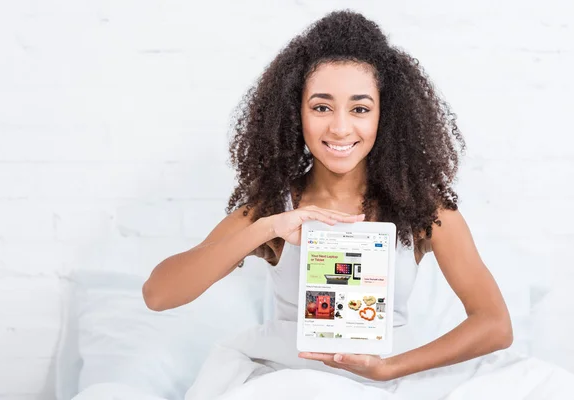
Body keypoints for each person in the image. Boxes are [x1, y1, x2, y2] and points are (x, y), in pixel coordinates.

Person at [142, 9, 513, 388]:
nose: (339, 127)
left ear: (386, 116)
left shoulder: (423, 211)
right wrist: (264, 229)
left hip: (389, 381)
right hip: (289, 381)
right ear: (295, 112)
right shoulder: (271, 209)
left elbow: (495, 324)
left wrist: (388, 368)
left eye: (360, 109)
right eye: (321, 107)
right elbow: (158, 294)